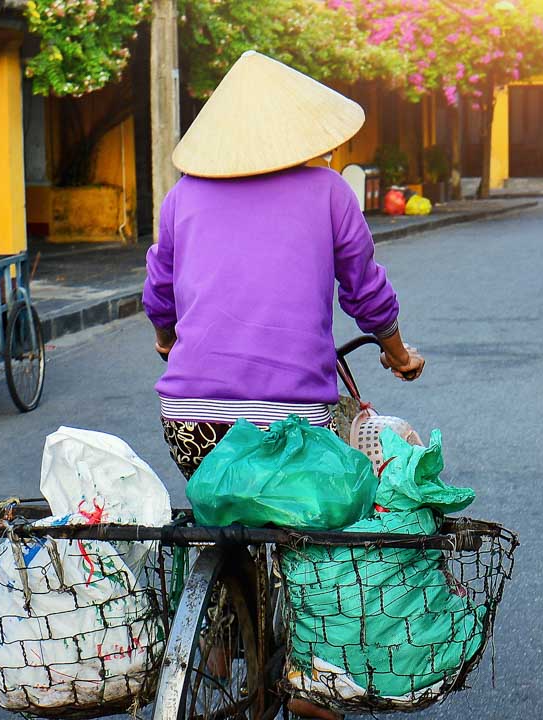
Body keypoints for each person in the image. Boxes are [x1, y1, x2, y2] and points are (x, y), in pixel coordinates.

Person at [144, 51, 426, 483]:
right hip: (294, 423)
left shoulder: (182, 195)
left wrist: (166, 341)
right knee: (307, 524)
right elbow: (365, 289)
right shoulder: (330, 191)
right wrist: (398, 354)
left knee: (224, 514)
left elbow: (160, 294)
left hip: (190, 423)